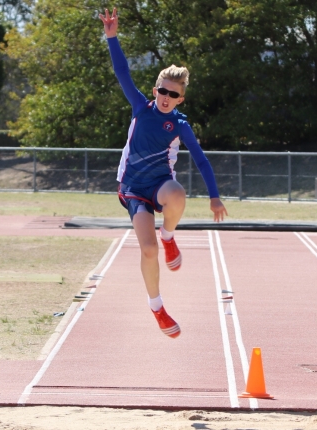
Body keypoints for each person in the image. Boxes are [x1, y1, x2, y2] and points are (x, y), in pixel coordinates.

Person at [99, 8, 227, 338]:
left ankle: (169, 235)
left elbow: (201, 160)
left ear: (180, 98)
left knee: (178, 194)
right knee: (148, 250)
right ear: (155, 89)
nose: (167, 97)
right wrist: (112, 37)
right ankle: (157, 306)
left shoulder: (180, 125)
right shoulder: (140, 108)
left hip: (159, 184)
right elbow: (122, 71)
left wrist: (214, 198)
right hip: (132, 188)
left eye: (174, 94)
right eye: (162, 91)